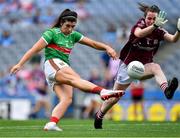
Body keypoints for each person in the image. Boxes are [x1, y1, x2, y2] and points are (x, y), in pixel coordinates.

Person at [10, 9, 125, 131]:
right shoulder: (51, 33)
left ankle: (52, 123)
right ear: (61, 23)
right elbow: (34, 50)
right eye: (67, 26)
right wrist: (19, 64)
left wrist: (107, 47)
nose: (70, 29)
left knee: (67, 99)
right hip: (52, 64)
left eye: (73, 26)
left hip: (62, 66)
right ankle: (102, 91)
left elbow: (92, 43)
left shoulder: (73, 35)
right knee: (75, 78)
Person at [94, 3, 180, 129]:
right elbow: (139, 34)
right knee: (114, 97)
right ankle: (99, 116)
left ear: (158, 19)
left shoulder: (159, 31)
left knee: (156, 67)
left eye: (154, 19)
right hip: (127, 67)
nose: (151, 21)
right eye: (149, 18)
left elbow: (173, 39)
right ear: (144, 18)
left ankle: (167, 90)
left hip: (143, 67)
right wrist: (155, 25)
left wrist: (178, 31)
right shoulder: (139, 25)